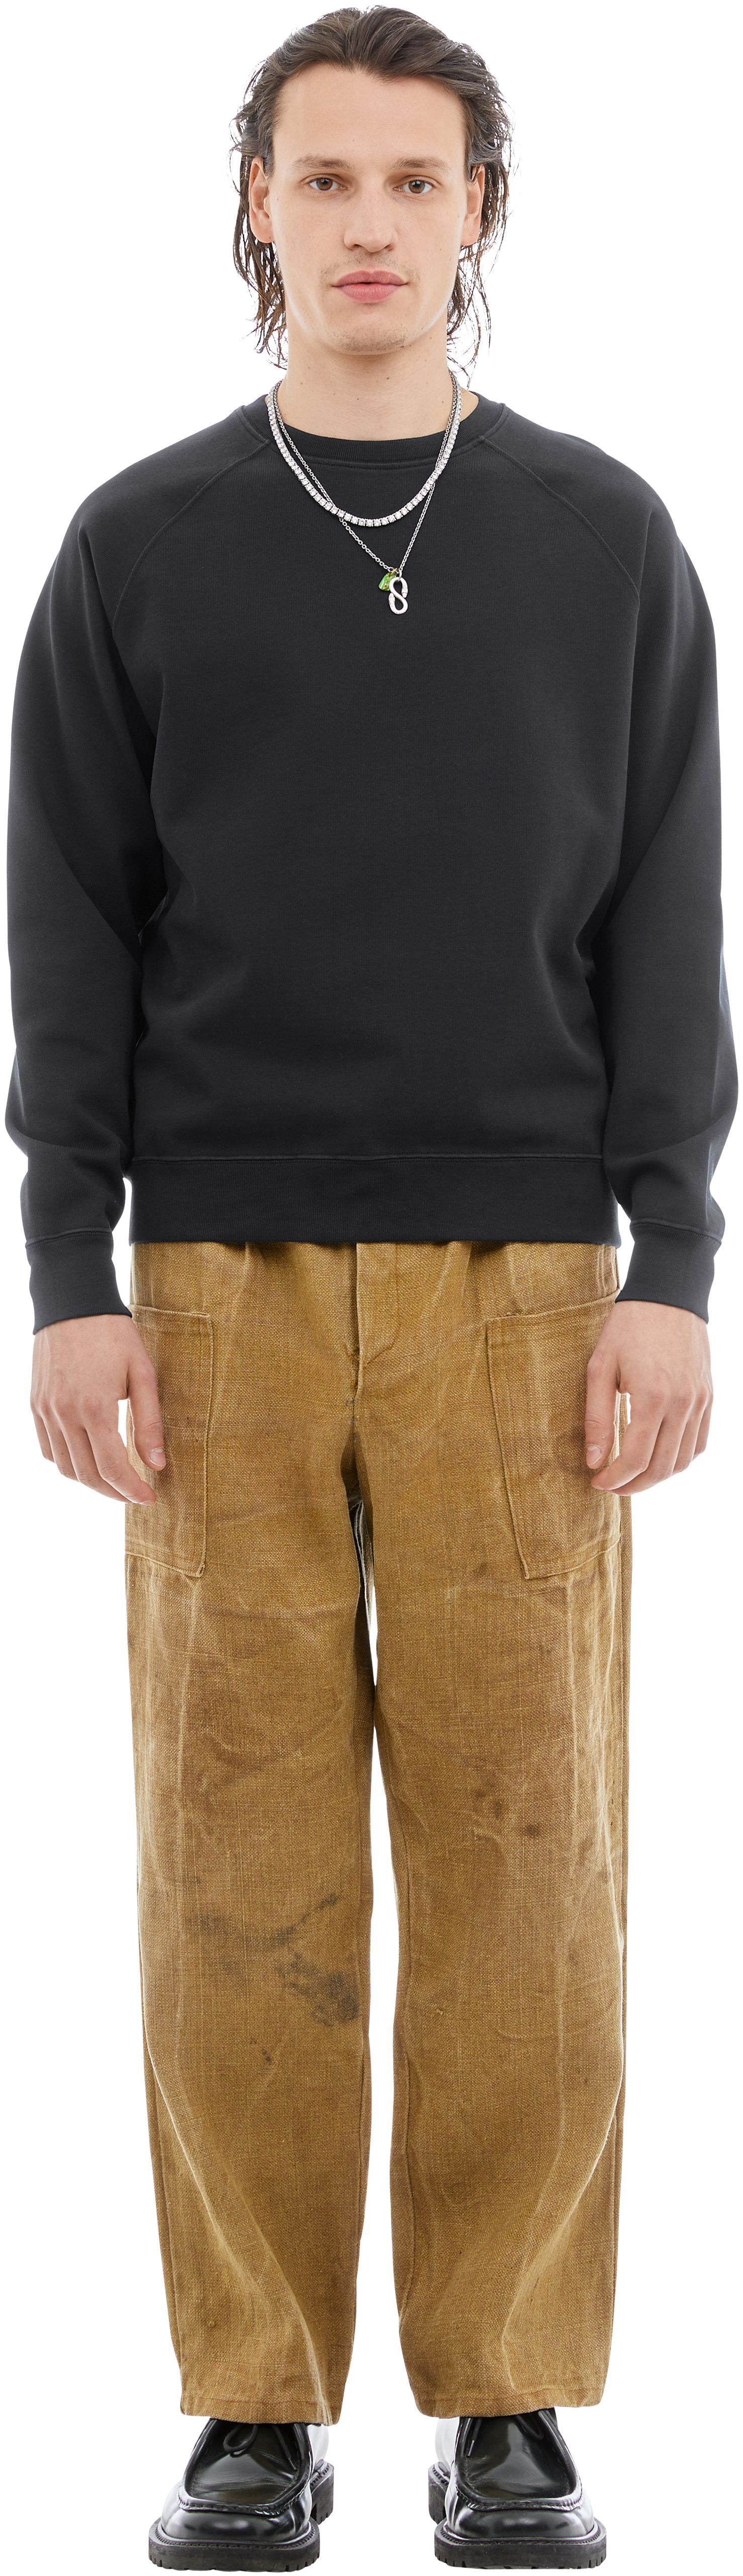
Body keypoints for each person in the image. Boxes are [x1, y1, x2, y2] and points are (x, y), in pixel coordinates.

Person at [5, 7, 737, 2569]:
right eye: (320, 176)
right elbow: (70, 938)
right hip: (204, 1280)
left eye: (414, 180)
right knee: (237, 1850)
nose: (366, 223)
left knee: (532, 1847)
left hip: (527, 1283)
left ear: (478, 212)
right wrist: (67, 1266)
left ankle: (508, 2392)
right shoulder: (137, 548)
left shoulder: (607, 542)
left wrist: (672, 1254)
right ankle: (255, 2401)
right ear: (253, 205)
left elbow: (667, 922)